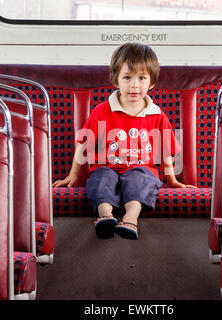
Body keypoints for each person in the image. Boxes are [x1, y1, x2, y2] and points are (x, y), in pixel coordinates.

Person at [53, 42, 195, 240]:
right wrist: (73, 174)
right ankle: (105, 216)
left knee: (142, 180)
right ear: (116, 80)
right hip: (106, 167)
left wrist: (172, 179)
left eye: (142, 78)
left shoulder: (157, 115)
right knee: (100, 180)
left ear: (152, 83)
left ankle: (130, 219)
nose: (134, 84)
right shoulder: (102, 111)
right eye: (127, 77)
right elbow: (84, 144)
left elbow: (166, 151)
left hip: (141, 168)